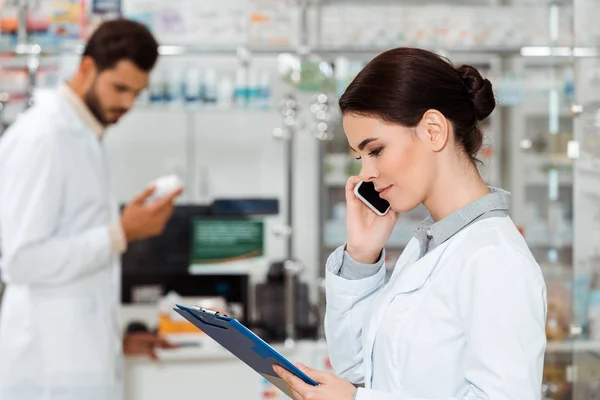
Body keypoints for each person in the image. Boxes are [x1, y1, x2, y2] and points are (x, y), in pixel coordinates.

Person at [274, 47, 547, 399]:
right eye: (360, 157)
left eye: (375, 150)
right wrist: (361, 256)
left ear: (433, 130)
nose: (366, 174)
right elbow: (358, 367)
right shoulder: (430, 247)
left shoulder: (495, 258)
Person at [0, 19, 182, 400]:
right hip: (46, 377)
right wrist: (122, 233)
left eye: (136, 92)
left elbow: (74, 278)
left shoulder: (85, 136)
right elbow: (20, 261)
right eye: (119, 88)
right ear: (86, 69)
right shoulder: (44, 137)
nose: (127, 104)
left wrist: (113, 344)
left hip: (75, 367)